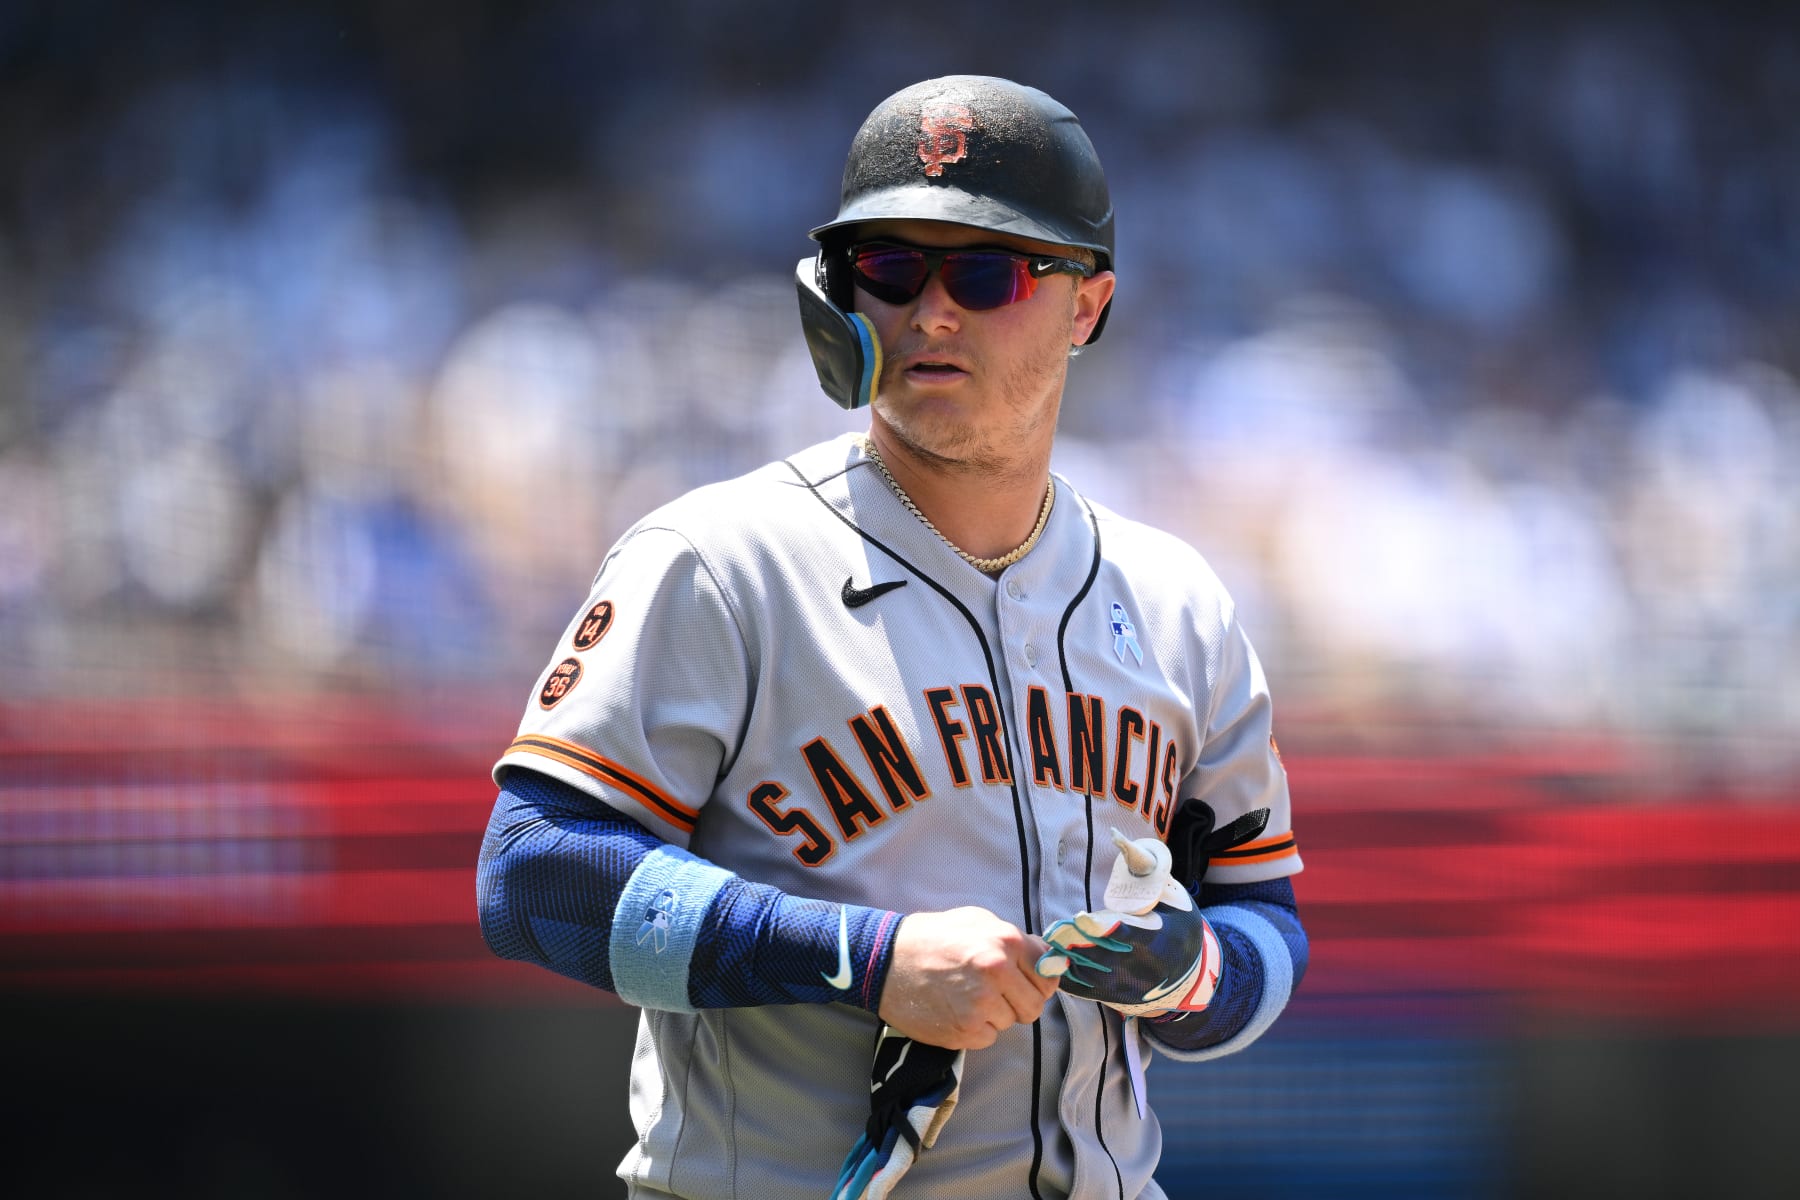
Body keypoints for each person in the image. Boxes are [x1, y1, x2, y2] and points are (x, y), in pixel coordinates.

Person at [477, 75, 1306, 1200]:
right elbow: (534, 876)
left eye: (986, 272)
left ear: (1087, 306)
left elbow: (1266, 922)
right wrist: (863, 960)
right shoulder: (721, 560)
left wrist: (1187, 974)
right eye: (891, 268)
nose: (932, 313)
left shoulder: (1176, 604)